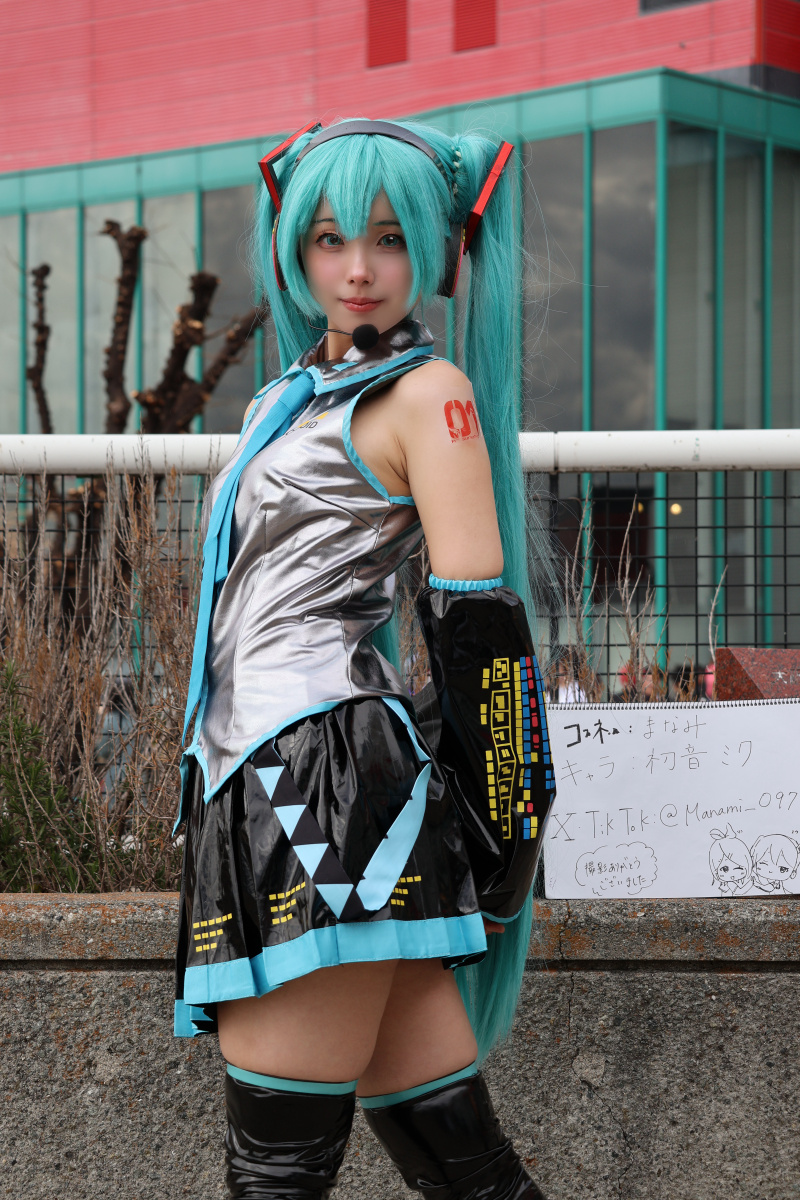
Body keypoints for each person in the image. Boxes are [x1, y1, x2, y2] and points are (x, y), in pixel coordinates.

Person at [173, 117, 556, 1199]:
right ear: (293, 247)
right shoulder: (287, 396)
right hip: (276, 775)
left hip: (319, 791)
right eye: (330, 238)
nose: (356, 269)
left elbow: (478, 622)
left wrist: (510, 819)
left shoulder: (428, 395)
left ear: (435, 247)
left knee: (277, 1173)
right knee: (466, 1171)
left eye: (389, 240)